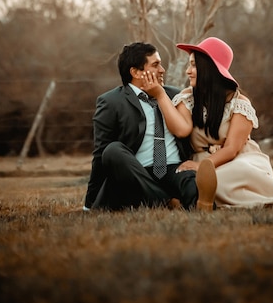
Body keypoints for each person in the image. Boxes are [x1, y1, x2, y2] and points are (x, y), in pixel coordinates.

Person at [145, 36, 273, 209]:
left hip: (241, 160)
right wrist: (160, 94)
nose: (188, 71)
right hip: (201, 164)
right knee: (200, 180)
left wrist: (203, 166)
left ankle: (206, 198)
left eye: (193, 65)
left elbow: (232, 149)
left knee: (233, 173)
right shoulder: (187, 99)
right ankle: (206, 198)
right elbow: (181, 130)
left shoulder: (239, 104)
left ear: (209, 68)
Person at [84, 42, 217, 211]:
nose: (162, 70)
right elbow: (100, 155)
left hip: (172, 168)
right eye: (155, 65)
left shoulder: (175, 95)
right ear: (136, 72)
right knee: (112, 150)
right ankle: (166, 201)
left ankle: (202, 204)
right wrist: (89, 203)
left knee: (189, 179)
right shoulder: (111, 102)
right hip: (136, 172)